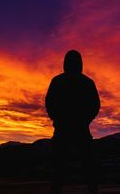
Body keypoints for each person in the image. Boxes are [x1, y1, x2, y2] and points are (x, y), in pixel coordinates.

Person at [45, 50, 101, 194]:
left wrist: (58, 119)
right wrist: (84, 120)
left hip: (72, 129)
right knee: (81, 167)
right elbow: (49, 103)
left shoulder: (60, 81)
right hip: (73, 129)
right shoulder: (85, 82)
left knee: (62, 167)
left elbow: (95, 105)